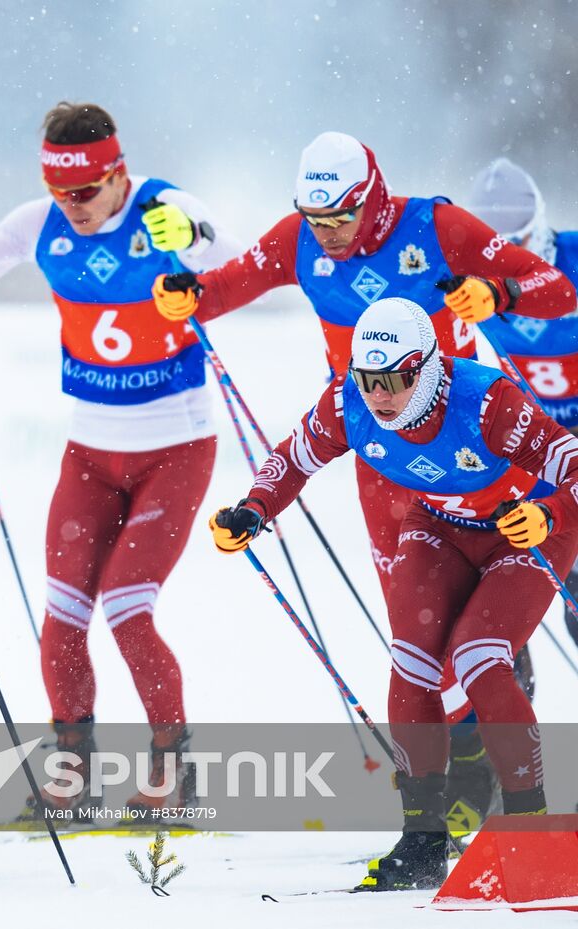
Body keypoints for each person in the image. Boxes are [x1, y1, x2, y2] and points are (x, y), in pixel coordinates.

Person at [150, 131, 575, 834]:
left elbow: (554, 288)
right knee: (417, 640)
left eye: (342, 216)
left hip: (470, 435)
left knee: (479, 636)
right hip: (381, 454)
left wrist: (493, 291)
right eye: (315, 219)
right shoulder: (301, 244)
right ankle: (460, 787)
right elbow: (220, 292)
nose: (330, 234)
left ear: (371, 196)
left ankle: (506, 744)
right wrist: (183, 291)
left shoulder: (434, 228)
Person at [0, 101, 242, 820]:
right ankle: (73, 776)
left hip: (175, 445)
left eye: (85, 192)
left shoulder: (165, 207)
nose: (72, 207)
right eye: (60, 192)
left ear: (117, 174)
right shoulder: (40, 222)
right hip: (90, 451)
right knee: (63, 613)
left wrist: (197, 239)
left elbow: (239, 265)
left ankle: (176, 769)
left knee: (128, 606)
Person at [209, 297, 578, 890]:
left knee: (480, 659)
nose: (379, 395)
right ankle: (424, 841)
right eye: (368, 379)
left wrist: (548, 514)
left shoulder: (486, 400)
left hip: (520, 530)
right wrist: (252, 510)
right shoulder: (345, 402)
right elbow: (292, 459)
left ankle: (530, 827)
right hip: (440, 527)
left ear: (427, 367)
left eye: (395, 380)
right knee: (412, 665)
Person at [469, 156, 578, 651]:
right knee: (501, 600)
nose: (513, 259)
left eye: (524, 243)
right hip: (532, 444)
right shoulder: (473, 286)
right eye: (499, 250)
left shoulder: (571, 258)